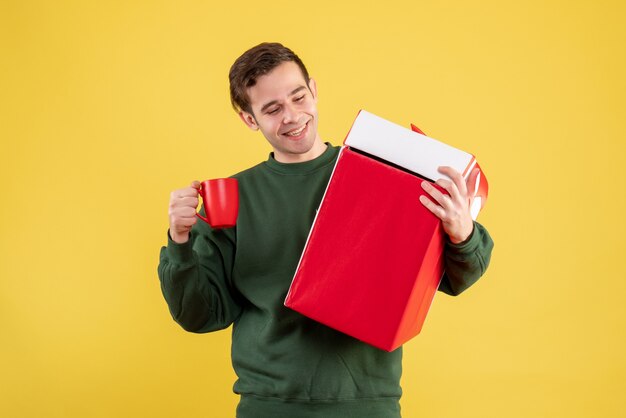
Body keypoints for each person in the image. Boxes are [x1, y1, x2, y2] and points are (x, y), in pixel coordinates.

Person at [158, 42, 494, 418]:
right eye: (272, 109)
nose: (292, 116)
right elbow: (200, 315)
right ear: (249, 119)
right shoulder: (233, 198)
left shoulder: (382, 170)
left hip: (369, 404)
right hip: (269, 407)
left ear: (314, 90)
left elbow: (454, 279)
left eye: (298, 97)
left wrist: (463, 233)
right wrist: (180, 242)